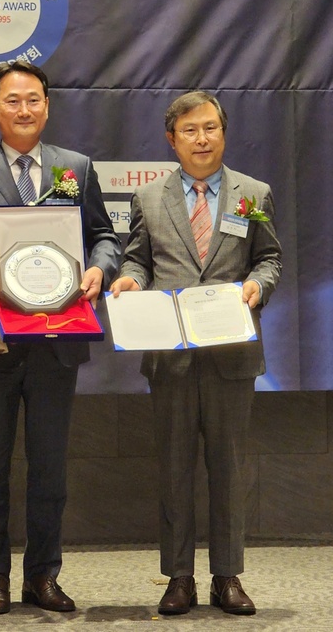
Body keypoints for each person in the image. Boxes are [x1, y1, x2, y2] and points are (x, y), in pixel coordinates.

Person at [0, 60, 122, 615]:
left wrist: (100, 269)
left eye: (35, 100)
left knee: (49, 468)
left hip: (57, 343)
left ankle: (43, 575)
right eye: (13, 101)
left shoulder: (77, 167)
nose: (25, 110)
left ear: (48, 105)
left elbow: (104, 236)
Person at [111, 90, 282, 617]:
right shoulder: (149, 198)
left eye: (210, 128)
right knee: (175, 467)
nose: (202, 138)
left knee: (228, 467)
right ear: (172, 139)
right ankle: (179, 577)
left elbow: (269, 259)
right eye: (190, 130)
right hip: (172, 358)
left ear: (223, 133)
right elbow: (139, 261)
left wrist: (257, 287)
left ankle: (227, 576)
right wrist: (128, 281)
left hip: (232, 354)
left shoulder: (253, 193)